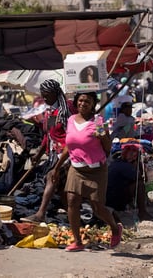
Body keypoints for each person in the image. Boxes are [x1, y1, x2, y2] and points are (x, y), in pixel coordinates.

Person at [52, 92, 122, 252]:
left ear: (92, 104)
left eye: (87, 101)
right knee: (72, 201)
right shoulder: (70, 120)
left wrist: (103, 136)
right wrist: (56, 167)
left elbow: (108, 148)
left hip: (96, 170)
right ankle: (77, 241)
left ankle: (115, 228)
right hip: (76, 168)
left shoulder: (97, 121)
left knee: (97, 208)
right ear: (76, 103)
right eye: (81, 100)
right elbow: (69, 146)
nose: (83, 103)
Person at [21, 79, 76, 223]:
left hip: (67, 153)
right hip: (54, 154)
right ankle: (75, 219)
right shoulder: (49, 111)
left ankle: (40, 214)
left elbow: (72, 136)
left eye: (47, 95)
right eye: (43, 95)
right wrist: (38, 154)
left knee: (51, 176)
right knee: (61, 189)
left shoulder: (66, 110)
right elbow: (48, 135)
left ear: (55, 93)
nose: (44, 98)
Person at [106, 145, 153, 223]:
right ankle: (142, 212)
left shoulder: (116, 162)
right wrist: (139, 166)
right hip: (114, 200)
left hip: (108, 198)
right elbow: (143, 180)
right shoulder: (126, 166)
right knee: (139, 185)